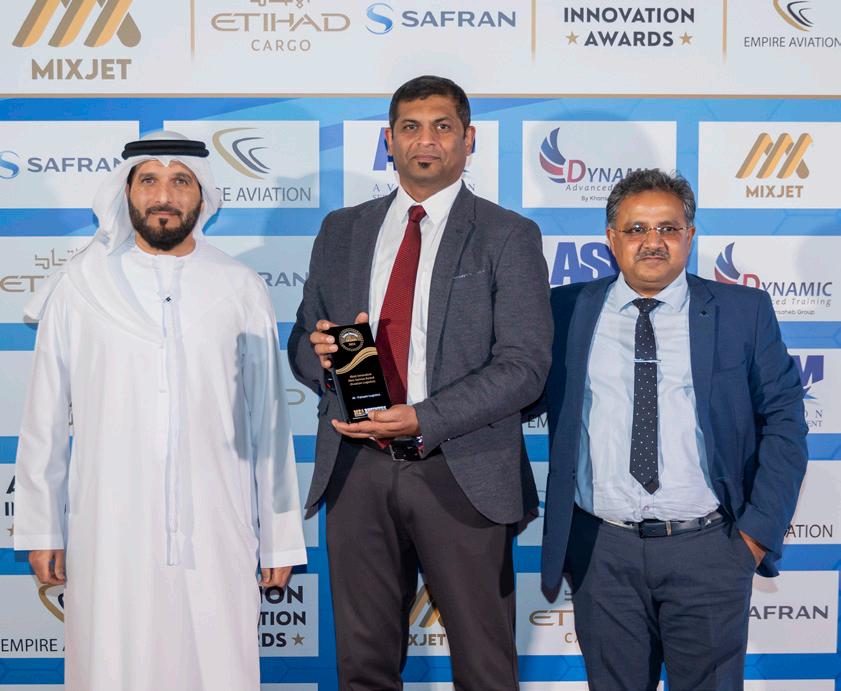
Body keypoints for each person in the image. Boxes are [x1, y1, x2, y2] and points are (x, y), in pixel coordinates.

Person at [14, 131, 307, 691]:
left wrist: (281, 537)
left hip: (218, 525)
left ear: (203, 195)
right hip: (109, 527)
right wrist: (41, 525)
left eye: (180, 181)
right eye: (148, 180)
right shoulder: (80, 286)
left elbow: (268, 422)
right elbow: (44, 417)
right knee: (111, 663)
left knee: (218, 664)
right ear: (126, 192)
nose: (163, 196)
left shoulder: (239, 286)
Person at [288, 75, 552, 689]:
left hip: (462, 468)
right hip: (356, 468)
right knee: (362, 666)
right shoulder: (341, 230)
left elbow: (525, 366)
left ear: (468, 139)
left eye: (442, 127)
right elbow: (302, 341)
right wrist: (321, 357)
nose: (425, 140)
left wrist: (424, 418)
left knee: (485, 667)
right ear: (389, 140)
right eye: (410, 127)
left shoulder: (508, 235)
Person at [541, 168, 808, 690]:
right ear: (611, 238)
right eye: (636, 229)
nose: (652, 242)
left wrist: (754, 536)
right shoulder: (565, 310)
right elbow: (509, 385)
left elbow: (784, 422)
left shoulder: (742, 311)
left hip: (709, 550)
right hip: (601, 552)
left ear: (690, 235)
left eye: (668, 228)